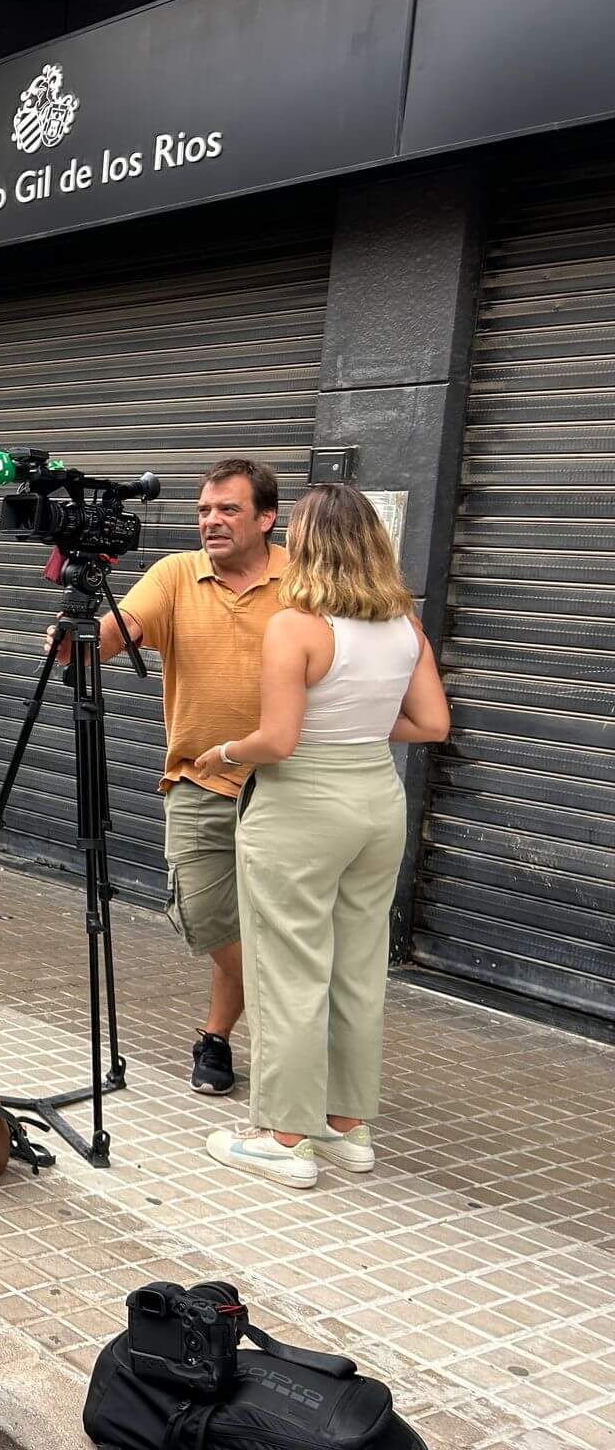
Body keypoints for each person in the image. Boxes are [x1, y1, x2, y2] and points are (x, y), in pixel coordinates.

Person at [193, 485, 447, 1189]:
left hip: (304, 807)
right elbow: (431, 725)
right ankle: (346, 1128)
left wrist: (226, 754)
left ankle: (282, 1138)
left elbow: (277, 740)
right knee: (357, 969)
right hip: (376, 800)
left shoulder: (295, 624)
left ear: (305, 544)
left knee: (289, 971)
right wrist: (358, 727)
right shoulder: (402, 622)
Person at [82, 458, 288, 1097]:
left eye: (228, 509)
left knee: (272, 918)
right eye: (204, 511)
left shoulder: (305, 579)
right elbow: (121, 634)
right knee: (205, 916)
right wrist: (80, 635)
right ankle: (298, 999)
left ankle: (217, 1037)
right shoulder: (175, 574)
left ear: (265, 518)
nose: (212, 521)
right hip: (200, 777)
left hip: (287, 781)